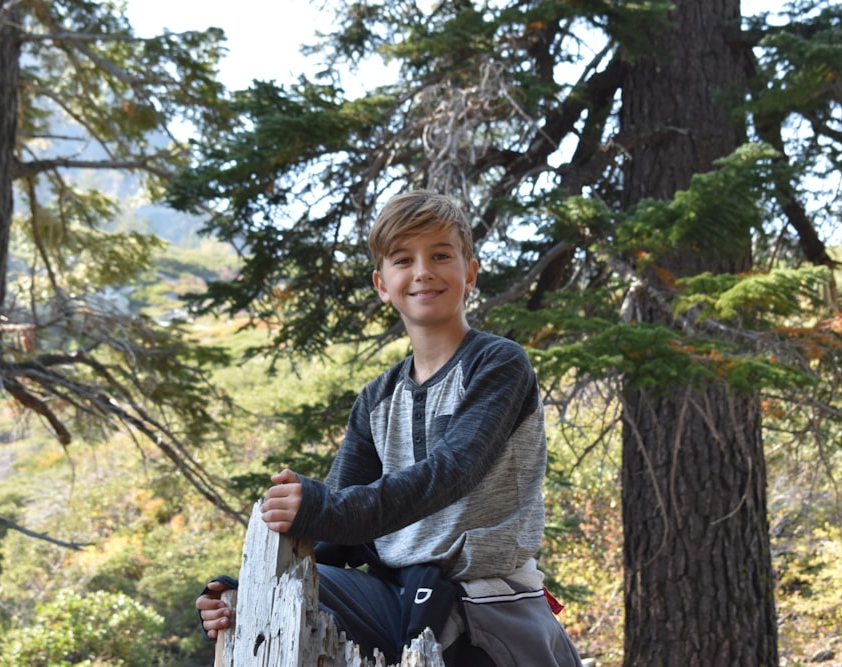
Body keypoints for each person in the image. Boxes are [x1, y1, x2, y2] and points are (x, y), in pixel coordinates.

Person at [196, 190, 583, 666]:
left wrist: (321, 506)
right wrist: (244, 594)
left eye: (441, 255)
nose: (423, 271)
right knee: (266, 598)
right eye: (404, 259)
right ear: (383, 283)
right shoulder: (377, 399)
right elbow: (332, 539)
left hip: (486, 597)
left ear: (470, 273)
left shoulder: (498, 363)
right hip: (392, 594)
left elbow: (452, 471)